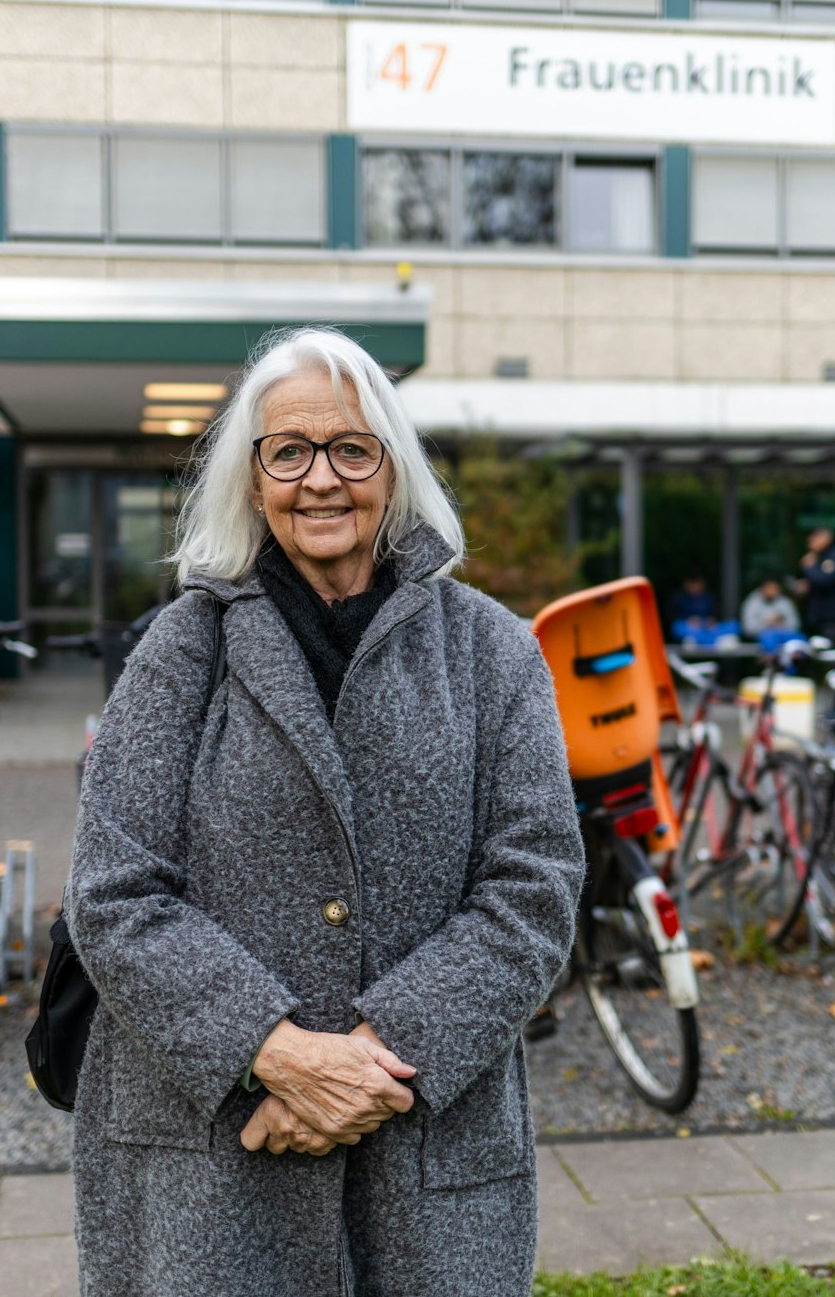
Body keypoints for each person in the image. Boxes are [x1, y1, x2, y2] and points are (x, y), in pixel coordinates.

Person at [66, 327, 585, 1296]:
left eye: (350, 448)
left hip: (423, 1140)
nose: (320, 479)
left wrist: (364, 1065)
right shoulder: (180, 649)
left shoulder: (492, 652)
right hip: (214, 1149)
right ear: (252, 476)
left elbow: (536, 885)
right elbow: (113, 890)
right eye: (288, 451)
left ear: (391, 468)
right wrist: (274, 1050)